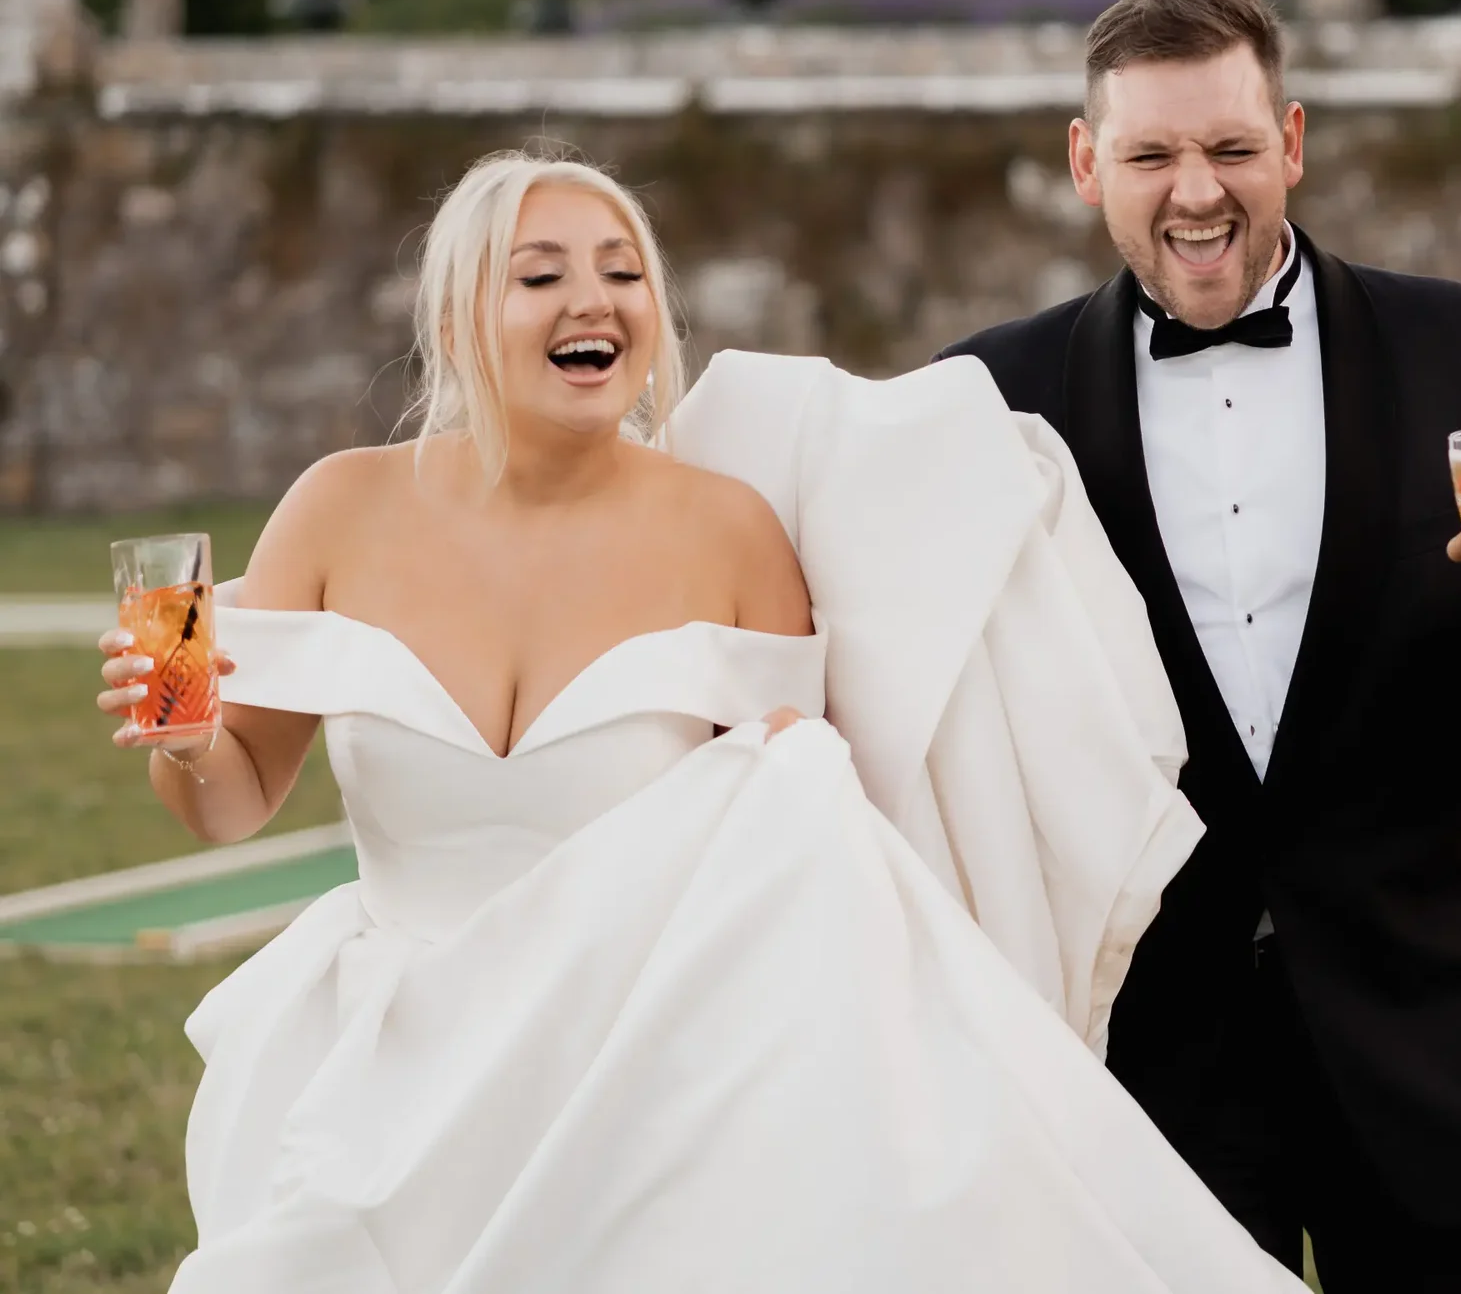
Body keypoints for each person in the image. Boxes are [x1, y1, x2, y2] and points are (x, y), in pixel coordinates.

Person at [97, 151, 1308, 1293]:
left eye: (625, 272)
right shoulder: (339, 506)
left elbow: (806, 851)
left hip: (635, 1081)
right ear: (464, 311)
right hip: (383, 1070)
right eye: (545, 274)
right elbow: (229, 800)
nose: (599, 300)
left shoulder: (726, 531)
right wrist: (183, 736)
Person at [941, 0, 1461, 1293]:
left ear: (1292, 143)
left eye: (1232, 147)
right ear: (1088, 164)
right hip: (1141, 1091)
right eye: (1152, 153)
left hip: (1445, 1059)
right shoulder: (988, 399)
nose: (1197, 190)